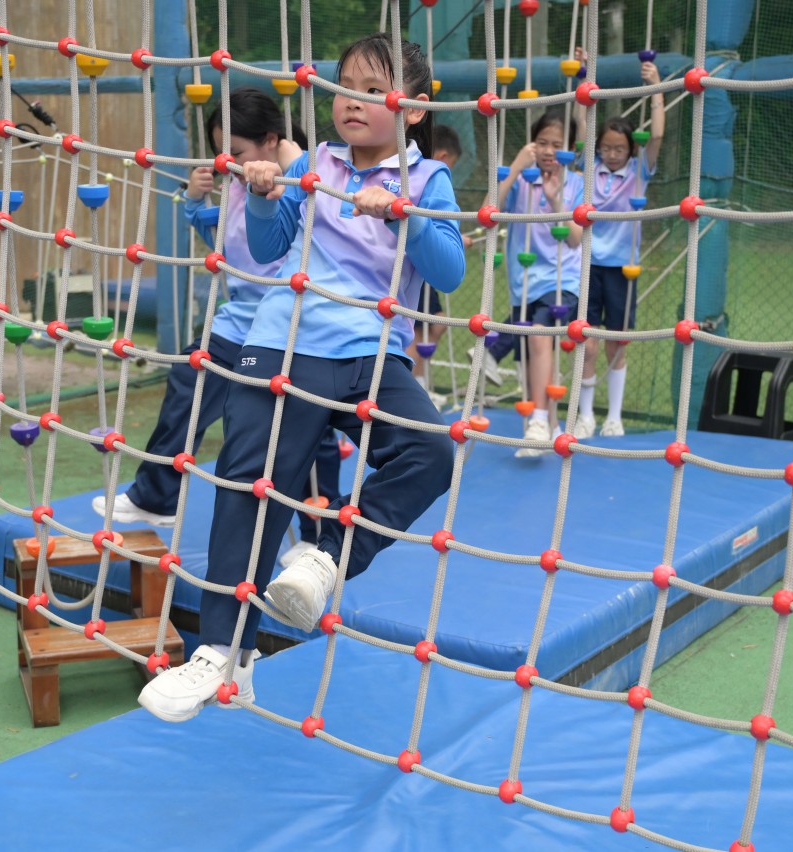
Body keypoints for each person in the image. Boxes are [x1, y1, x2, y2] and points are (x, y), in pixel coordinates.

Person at [138, 33, 465, 723]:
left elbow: (449, 273)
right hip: (284, 341)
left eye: (374, 91)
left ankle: (329, 556)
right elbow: (266, 248)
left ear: (412, 110)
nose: (353, 101)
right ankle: (222, 653)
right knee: (251, 482)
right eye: (346, 87)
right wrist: (262, 195)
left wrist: (403, 215)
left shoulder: (426, 178)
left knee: (431, 450)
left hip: (371, 349)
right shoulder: (317, 164)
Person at [92, 88, 337, 549]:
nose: (228, 164)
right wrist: (193, 201)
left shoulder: (308, 180)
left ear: (270, 140)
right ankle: (157, 496)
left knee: (306, 425)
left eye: (236, 153)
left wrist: (294, 168)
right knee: (191, 379)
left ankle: (317, 534)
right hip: (241, 321)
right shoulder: (240, 186)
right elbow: (230, 245)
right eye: (220, 154)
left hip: (293, 325)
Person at [480, 109, 584, 457]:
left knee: (540, 336)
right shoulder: (522, 180)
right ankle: (549, 427)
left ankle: (539, 420)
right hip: (524, 283)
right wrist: (514, 168)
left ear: (571, 149)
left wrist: (555, 200)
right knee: (531, 360)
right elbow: (487, 213)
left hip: (562, 279)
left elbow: (575, 239)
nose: (549, 151)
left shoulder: (577, 183)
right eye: (542, 142)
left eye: (557, 144)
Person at [572, 47, 664, 438]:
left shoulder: (639, 171)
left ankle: (614, 416)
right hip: (587, 264)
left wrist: (655, 87)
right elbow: (582, 121)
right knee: (587, 343)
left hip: (622, 268)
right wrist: (584, 76)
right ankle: (586, 415)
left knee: (617, 344)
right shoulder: (589, 168)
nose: (612, 155)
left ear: (631, 150)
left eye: (619, 149)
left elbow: (656, 133)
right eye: (606, 148)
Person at [405, 124, 467, 395]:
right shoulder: (427, 178)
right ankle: (414, 382)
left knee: (433, 323)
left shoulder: (428, 180)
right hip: (415, 266)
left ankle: (418, 381)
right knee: (419, 325)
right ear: (442, 156)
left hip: (427, 263)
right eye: (451, 163)